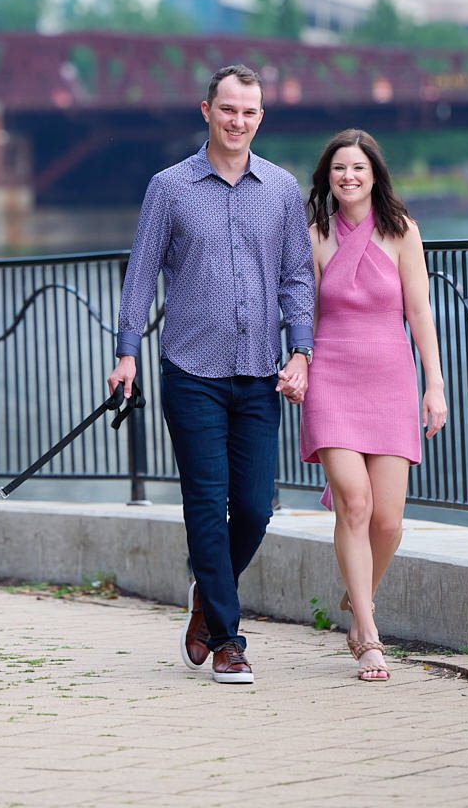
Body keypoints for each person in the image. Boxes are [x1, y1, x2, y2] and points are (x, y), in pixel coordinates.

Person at [109, 64, 315, 685]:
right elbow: (142, 273)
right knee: (206, 502)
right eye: (228, 109)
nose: (238, 122)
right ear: (207, 111)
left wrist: (301, 350)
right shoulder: (169, 187)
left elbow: (297, 277)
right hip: (190, 369)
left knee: (253, 509)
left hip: (258, 371)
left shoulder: (280, 189)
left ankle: (205, 600)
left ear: (261, 117)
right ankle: (228, 640)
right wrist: (127, 351)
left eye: (250, 112)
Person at [300, 129, 448, 682]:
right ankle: (367, 634)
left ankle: (358, 596)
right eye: (339, 168)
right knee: (354, 504)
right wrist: (298, 364)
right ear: (328, 176)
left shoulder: (402, 231)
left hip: (389, 379)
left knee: (388, 522)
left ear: (374, 175)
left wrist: (434, 384)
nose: (348, 177)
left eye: (358, 168)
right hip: (331, 379)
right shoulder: (314, 234)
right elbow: (303, 314)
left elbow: (420, 314)